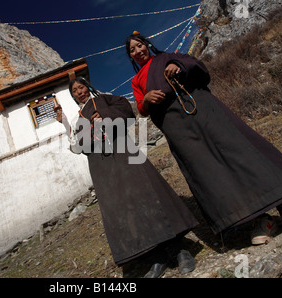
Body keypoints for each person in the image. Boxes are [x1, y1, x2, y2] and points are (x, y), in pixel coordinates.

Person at [126, 32, 282, 245]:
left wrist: (178, 65)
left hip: (202, 109)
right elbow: (142, 109)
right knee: (212, 170)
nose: (138, 51)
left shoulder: (169, 56)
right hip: (177, 127)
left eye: (140, 45)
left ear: (147, 45)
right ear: (131, 56)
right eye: (132, 50)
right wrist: (148, 99)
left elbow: (196, 66)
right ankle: (259, 220)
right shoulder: (136, 81)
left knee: (239, 150)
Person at [54, 77, 198, 277]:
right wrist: (65, 123)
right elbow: (77, 147)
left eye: (81, 87)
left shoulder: (105, 99)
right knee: (128, 206)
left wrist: (104, 117)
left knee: (149, 194)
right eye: (75, 91)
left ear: (87, 87)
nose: (79, 91)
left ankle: (180, 249)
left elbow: (127, 111)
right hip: (103, 167)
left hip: (124, 154)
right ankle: (156, 257)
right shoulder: (79, 119)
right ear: (73, 96)